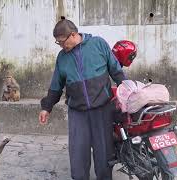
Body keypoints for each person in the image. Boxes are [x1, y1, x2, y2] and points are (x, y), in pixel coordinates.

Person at [38, 16, 127, 180]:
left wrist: (128, 89)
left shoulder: (98, 44)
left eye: (62, 41)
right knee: (78, 157)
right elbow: (56, 85)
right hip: (77, 113)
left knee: (104, 157)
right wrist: (46, 107)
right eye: (58, 43)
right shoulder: (62, 58)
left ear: (73, 35)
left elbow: (116, 71)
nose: (61, 45)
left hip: (102, 109)